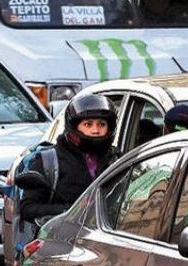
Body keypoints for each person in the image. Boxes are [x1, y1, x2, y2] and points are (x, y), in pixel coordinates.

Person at [19, 94, 118, 227]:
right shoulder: (49, 161)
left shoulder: (116, 158)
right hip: (60, 239)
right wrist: (72, 210)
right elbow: (27, 209)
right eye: (88, 124)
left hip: (109, 235)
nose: (95, 130)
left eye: (101, 124)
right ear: (74, 126)